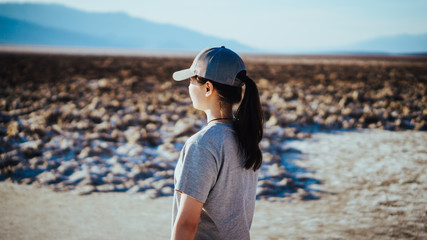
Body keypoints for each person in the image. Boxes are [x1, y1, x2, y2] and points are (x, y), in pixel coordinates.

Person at [171, 46, 264, 240]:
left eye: (191, 80)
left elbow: (188, 224)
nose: (188, 87)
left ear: (208, 88)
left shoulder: (203, 144)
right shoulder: (246, 138)